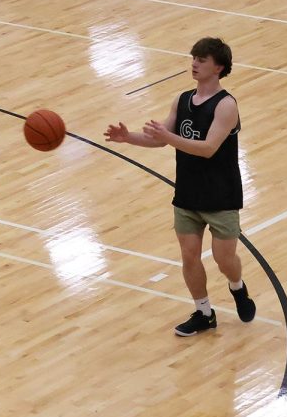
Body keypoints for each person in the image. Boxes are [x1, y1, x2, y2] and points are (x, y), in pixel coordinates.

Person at [104, 37, 257, 337]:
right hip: (187, 193)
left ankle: (237, 288)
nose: (195, 63)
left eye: (202, 59)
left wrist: (169, 137)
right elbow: (160, 138)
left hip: (221, 195)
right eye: (194, 57)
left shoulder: (226, 106)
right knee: (189, 256)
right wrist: (129, 137)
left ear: (219, 67)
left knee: (225, 259)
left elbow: (208, 148)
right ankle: (203, 312)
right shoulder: (182, 99)